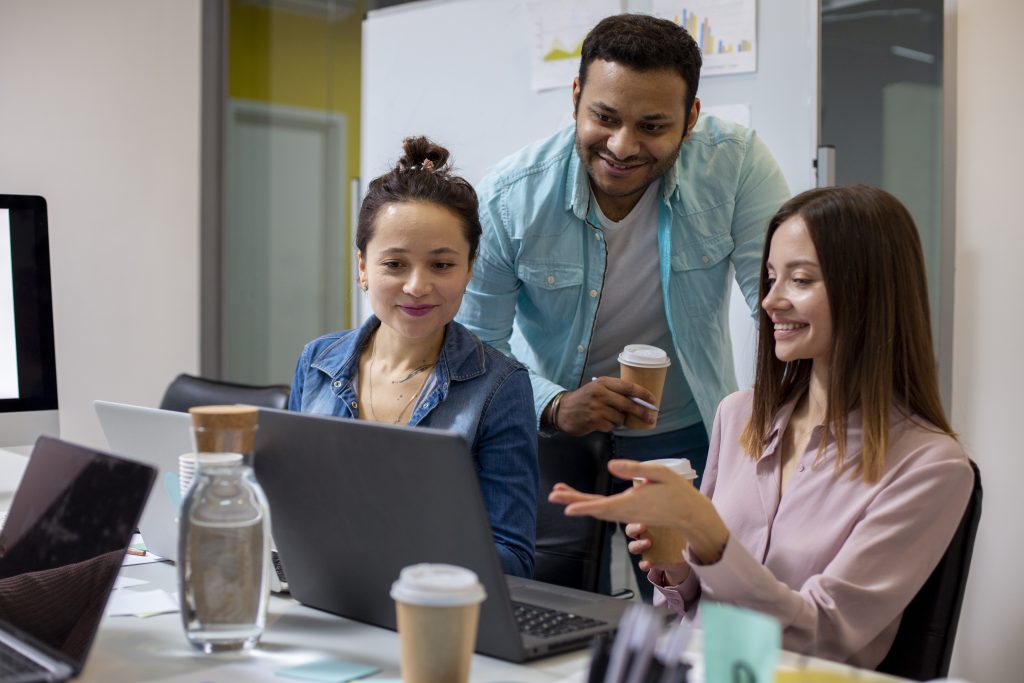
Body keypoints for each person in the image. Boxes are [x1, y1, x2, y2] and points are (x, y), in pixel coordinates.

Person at [549, 185, 975, 667]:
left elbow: (825, 637)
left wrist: (712, 540)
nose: (771, 301)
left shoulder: (932, 466)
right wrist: (676, 569)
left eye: (800, 280)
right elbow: (689, 608)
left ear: (868, 290)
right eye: (771, 278)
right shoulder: (739, 416)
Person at [456, 12, 789, 598]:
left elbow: (776, 301)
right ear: (577, 96)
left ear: (691, 119)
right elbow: (476, 343)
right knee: (542, 603)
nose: (622, 146)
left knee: (696, 608)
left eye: (652, 126)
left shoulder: (734, 164)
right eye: (604, 118)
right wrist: (555, 405)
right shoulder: (511, 197)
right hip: (550, 432)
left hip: (683, 433)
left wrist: (788, 422)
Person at [289, 137, 538, 578]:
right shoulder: (317, 362)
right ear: (363, 266)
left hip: (429, 611)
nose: (417, 287)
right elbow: (289, 506)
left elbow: (513, 559)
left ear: (469, 269)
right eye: (395, 264)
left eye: (441, 265)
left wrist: (394, 549)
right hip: (321, 598)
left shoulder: (500, 385)